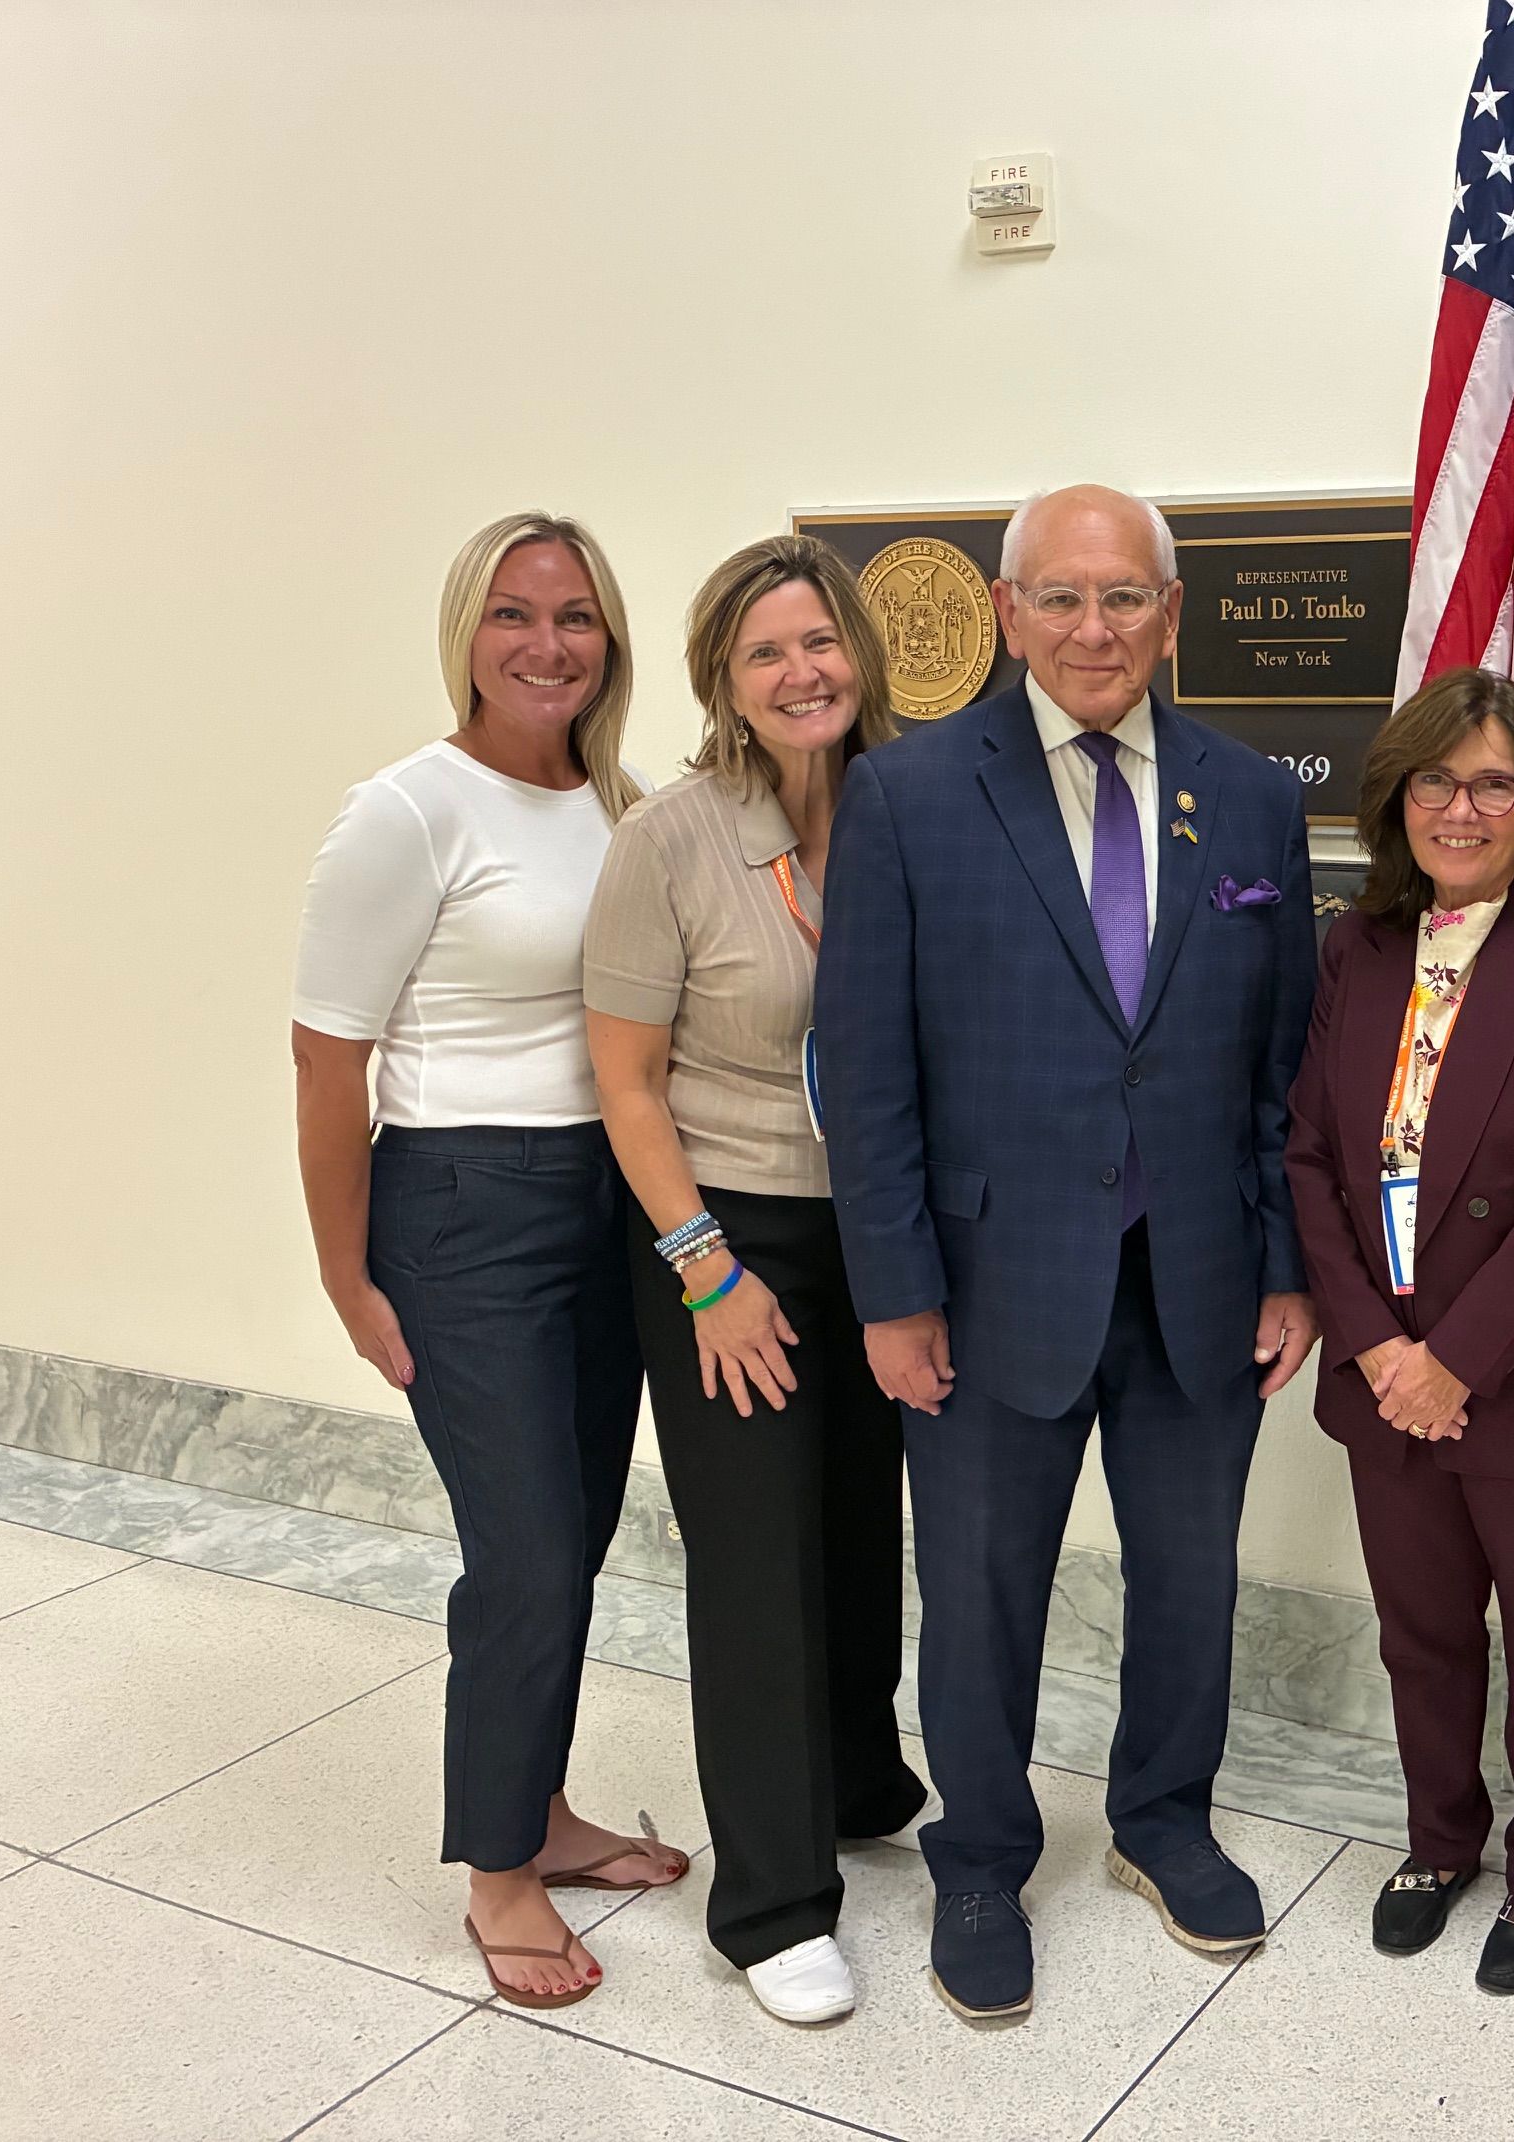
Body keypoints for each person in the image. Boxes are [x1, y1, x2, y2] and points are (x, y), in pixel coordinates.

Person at [816, 484, 1319, 2021]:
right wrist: (893, 1294)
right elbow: (868, 1066)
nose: (1093, 629)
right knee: (977, 1591)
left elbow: (1282, 1059)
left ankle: (1164, 1820)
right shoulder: (905, 795)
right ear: (1006, 611)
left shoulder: (1248, 797)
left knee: (1190, 1577)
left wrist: (1288, 1259)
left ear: (1173, 615)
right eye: (1062, 598)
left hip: (1200, 1280)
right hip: (984, 1286)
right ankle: (980, 1854)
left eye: (1124, 600)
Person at [289, 511, 687, 2011]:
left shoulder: (617, 801)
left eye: (575, 615)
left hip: (608, 1199)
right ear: (466, 629)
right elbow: (330, 1062)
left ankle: (541, 1810)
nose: (547, 643)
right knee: (521, 1551)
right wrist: (347, 1275)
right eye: (514, 614)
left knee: (572, 1534)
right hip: (461, 1208)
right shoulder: (405, 810)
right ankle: (498, 1876)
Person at [584, 535, 929, 2025]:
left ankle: (856, 1780)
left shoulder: (914, 810)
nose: (805, 673)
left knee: (861, 1521)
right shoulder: (668, 837)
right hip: (724, 1233)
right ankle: (774, 1902)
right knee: (756, 1552)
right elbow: (627, 1079)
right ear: (726, 678)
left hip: (889, 1231)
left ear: (863, 651)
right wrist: (708, 1268)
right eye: (768, 651)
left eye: (822, 643)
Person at [1284, 669, 1514, 1995]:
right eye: (1437, 780)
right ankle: (1440, 1839)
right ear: (1398, 800)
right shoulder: (1358, 947)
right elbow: (1313, 1160)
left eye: (1493, 781)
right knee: (1423, 1632)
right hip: (1388, 1375)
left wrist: (1455, 1355)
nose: (1462, 805)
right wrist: (1383, 1351)